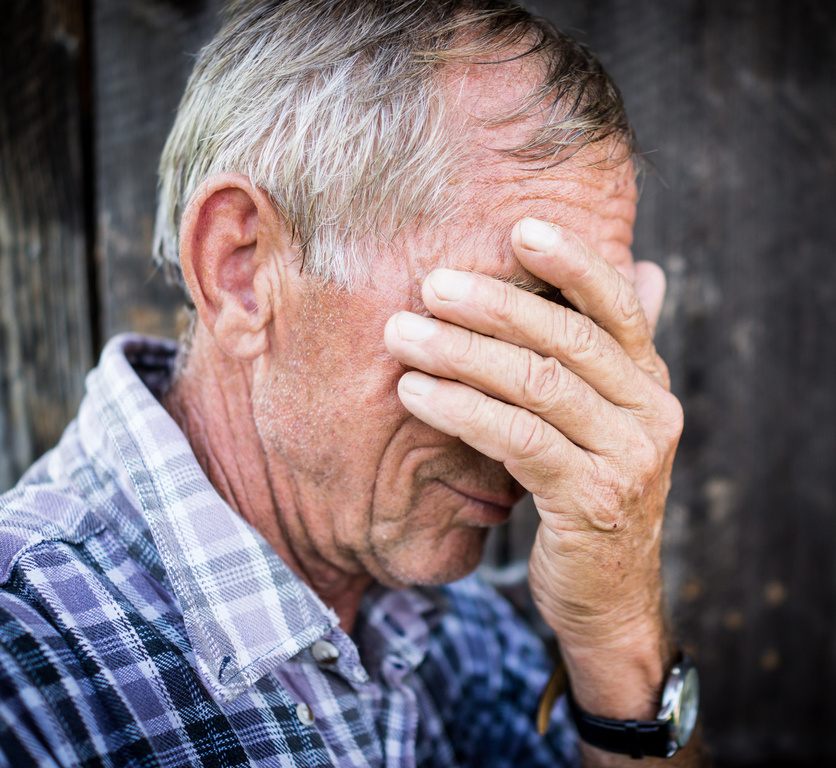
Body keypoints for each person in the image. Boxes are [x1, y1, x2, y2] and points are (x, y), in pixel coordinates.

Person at [0, 1, 705, 766]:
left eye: (585, 337)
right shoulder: (22, 663)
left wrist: (618, 639)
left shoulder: (455, 625)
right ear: (243, 272)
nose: (553, 414)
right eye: (511, 321)